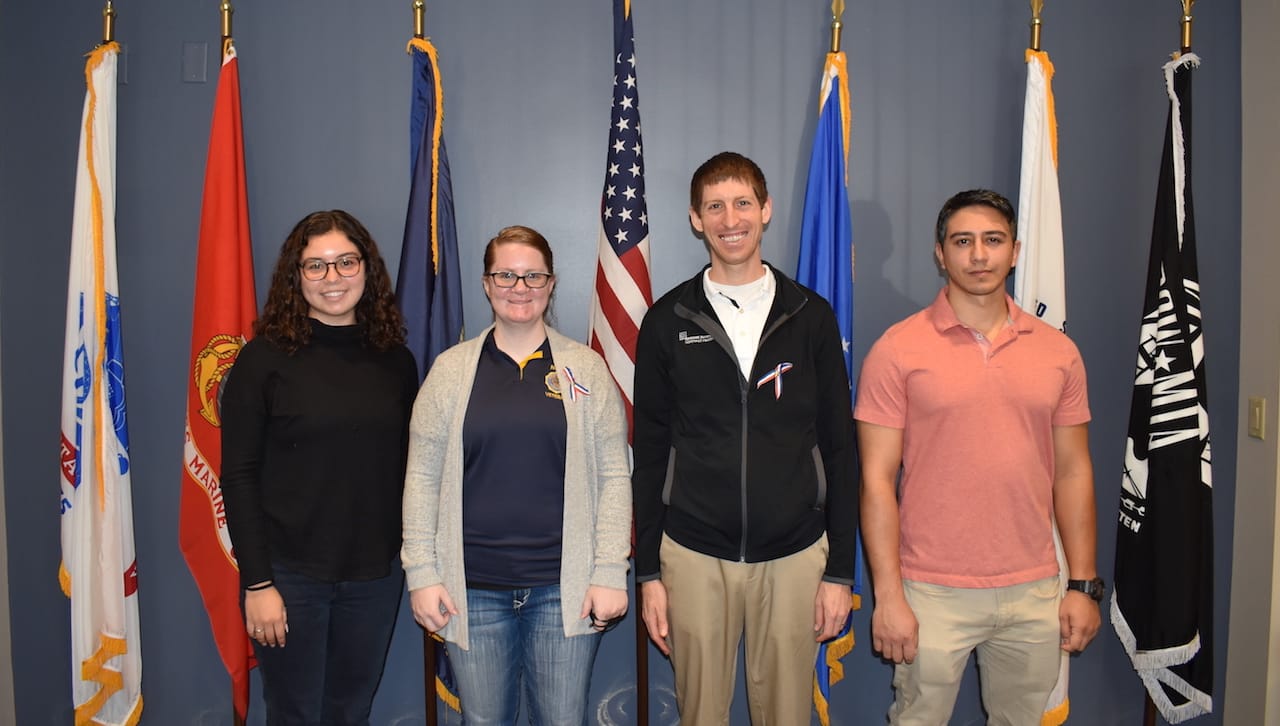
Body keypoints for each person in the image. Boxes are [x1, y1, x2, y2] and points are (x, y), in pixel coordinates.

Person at [855, 189, 1102, 725]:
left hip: (1035, 589)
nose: (979, 255)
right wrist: (888, 596)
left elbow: (1075, 470)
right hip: (931, 591)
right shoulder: (896, 351)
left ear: (1014, 250)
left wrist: (1083, 584)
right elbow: (876, 479)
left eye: (993, 240)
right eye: (962, 241)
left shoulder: (1058, 353)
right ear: (940, 254)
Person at [632, 151, 858, 724]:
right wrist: (650, 575)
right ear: (694, 218)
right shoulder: (667, 319)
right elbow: (652, 451)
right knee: (700, 714)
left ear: (766, 210)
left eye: (741, 203)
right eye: (714, 206)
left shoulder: (811, 316)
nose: (729, 219)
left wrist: (839, 573)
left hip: (795, 553)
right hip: (693, 552)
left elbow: (839, 446)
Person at [401, 225, 631, 725]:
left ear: (551, 284)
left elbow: (615, 474)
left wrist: (610, 569)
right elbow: (421, 476)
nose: (519, 287)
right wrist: (421, 572)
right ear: (486, 283)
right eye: (506, 274)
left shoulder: (585, 370)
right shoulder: (451, 371)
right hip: (473, 591)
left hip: (562, 590)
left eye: (533, 275)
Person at [221, 209, 419, 725]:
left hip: (375, 577)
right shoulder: (263, 360)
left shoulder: (395, 360)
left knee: (350, 712)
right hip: (290, 578)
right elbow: (238, 475)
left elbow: (405, 469)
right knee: (293, 715)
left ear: (366, 269)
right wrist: (258, 583)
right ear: (296, 276)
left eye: (346, 262)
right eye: (316, 266)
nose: (333, 279)